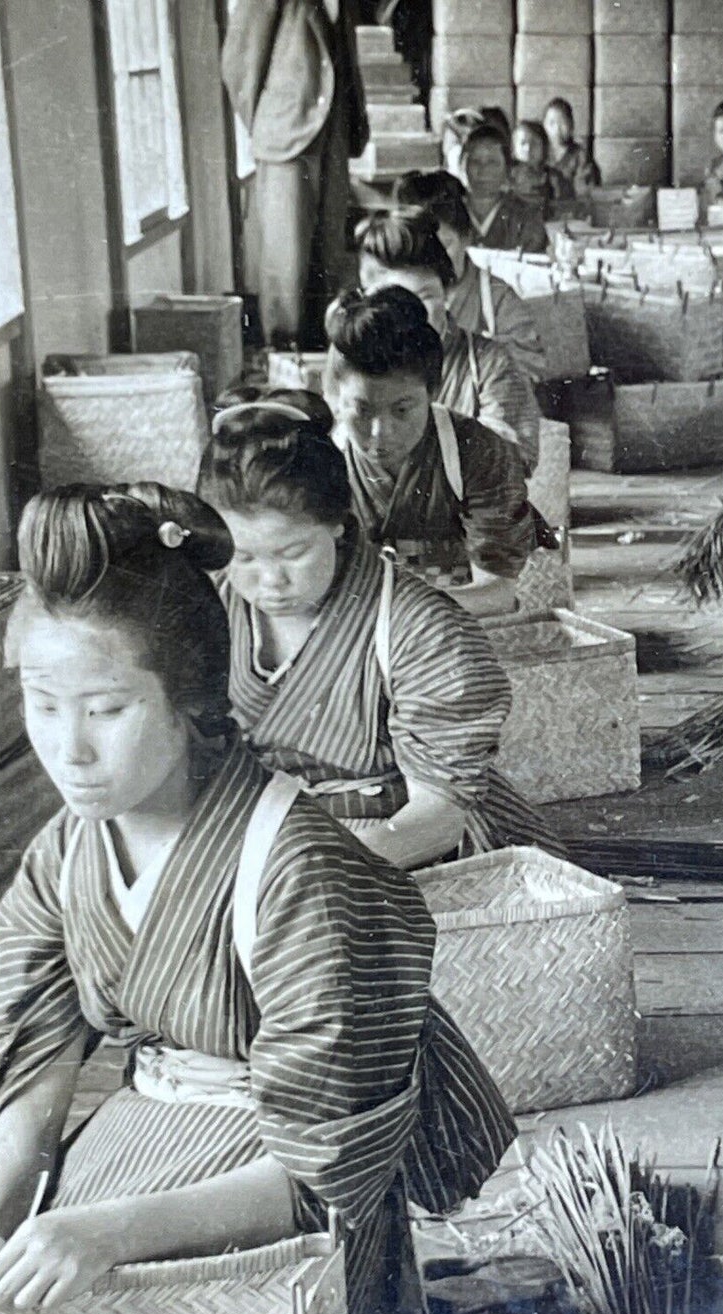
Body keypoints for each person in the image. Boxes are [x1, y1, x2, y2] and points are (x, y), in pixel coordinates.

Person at [0, 481, 513, 1314]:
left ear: (189, 700)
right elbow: (40, 1064)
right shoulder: (65, 851)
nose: (70, 749)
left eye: (107, 709)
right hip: (143, 1137)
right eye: (42, 704)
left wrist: (106, 1233)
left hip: (282, 1182)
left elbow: (322, 1163)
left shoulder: (302, 867)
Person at [200, 397, 558, 864]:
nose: (270, 581)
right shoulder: (210, 600)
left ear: (336, 524)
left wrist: (303, 874)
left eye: (292, 553)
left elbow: (438, 816)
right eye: (244, 557)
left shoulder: (426, 629)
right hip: (257, 827)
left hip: (396, 841)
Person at [324, 286, 535, 617]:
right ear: (336, 396)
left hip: (461, 629)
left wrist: (395, 612)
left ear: (432, 392)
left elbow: (498, 594)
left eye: (402, 410)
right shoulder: (323, 462)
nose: (380, 433)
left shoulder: (480, 453)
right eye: (361, 411)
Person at [221, 0, 369, 348]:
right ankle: (283, 354)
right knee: (286, 261)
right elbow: (238, 62)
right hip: (286, 135)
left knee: (328, 250)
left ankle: (323, 353)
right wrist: (270, 121)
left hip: (333, 132)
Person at [356, 213, 541, 470]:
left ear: (446, 294)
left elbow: (510, 461)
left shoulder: (490, 363)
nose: (418, 312)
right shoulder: (352, 357)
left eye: (427, 295)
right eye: (400, 299)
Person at [394, 170, 546, 383]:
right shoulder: (396, 296)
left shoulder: (497, 299)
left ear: (467, 237)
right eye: (424, 247)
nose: (434, 257)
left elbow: (532, 368)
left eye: (445, 245)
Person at [458, 123, 549, 255]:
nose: (484, 170)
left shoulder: (527, 219)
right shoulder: (448, 215)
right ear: (462, 165)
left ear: (508, 169)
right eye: (475, 161)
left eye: (493, 162)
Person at [511, 120, 574, 215]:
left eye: (534, 143)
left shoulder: (554, 179)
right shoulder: (506, 179)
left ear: (544, 147)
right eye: (523, 143)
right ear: (513, 148)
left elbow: (567, 208)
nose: (528, 149)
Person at [543, 97, 601, 193]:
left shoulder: (581, 156)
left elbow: (584, 191)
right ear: (544, 126)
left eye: (562, 123)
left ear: (571, 125)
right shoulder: (539, 152)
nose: (557, 129)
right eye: (551, 123)